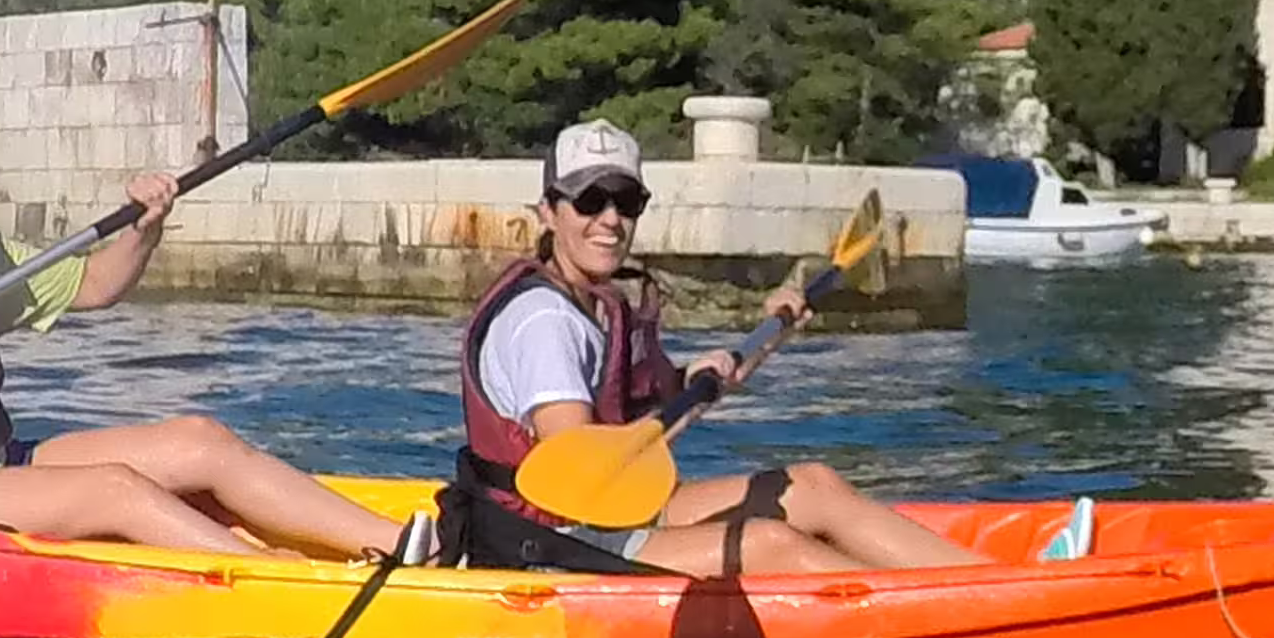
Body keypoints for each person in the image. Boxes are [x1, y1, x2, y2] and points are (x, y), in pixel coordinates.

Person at [0, 113, 417, 562]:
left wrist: (145, 227)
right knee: (115, 490)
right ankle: (273, 577)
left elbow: (95, 284)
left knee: (199, 439)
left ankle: (415, 545)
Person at [447, 119, 1043, 577]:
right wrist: (675, 413)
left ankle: (992, 583)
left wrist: (707, 372)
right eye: (589, 200)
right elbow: (579, 468)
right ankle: (953, 612)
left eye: (625, 202)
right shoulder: (542, 320)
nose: (609, 219)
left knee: (812, 485)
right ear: (549, 213)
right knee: (771, 543)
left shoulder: (600, 301)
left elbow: (640, 409)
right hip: (551, 542)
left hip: (606, 517)